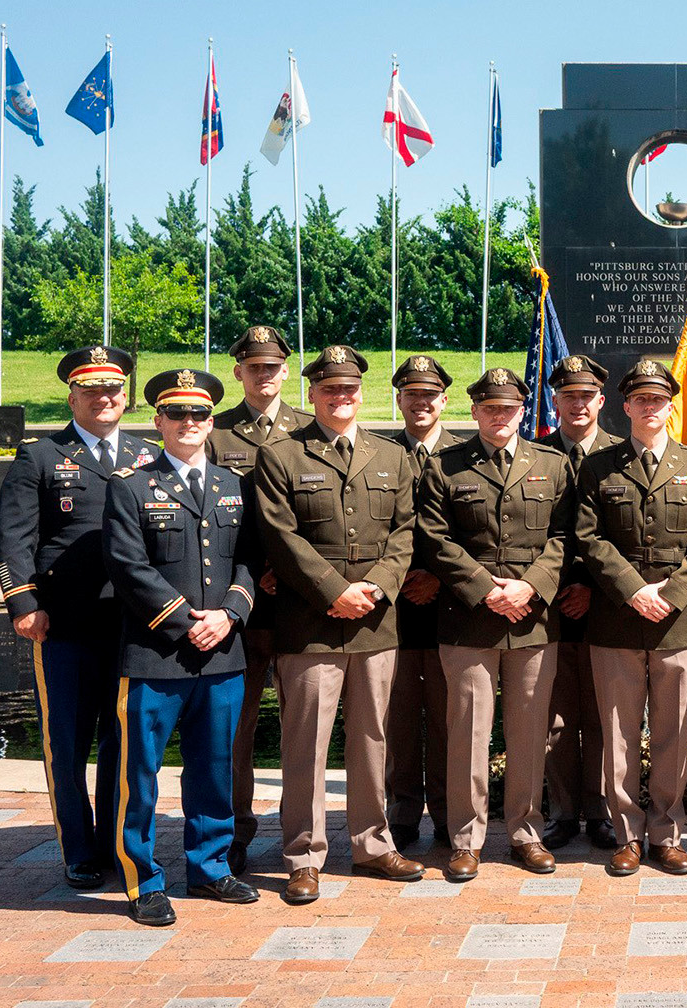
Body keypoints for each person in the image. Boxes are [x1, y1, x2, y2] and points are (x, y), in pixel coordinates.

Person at [252, 345, 423, 904]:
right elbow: (281, 536)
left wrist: (374, 588)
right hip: (310, 624)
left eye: (348, 388)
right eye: (329, 389)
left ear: (361, 393)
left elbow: (405, 533)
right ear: (312, 394)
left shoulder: (391, 456)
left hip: (375, 622)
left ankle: (373, 844)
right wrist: (334, 591)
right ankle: (304, 856)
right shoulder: (281, 455)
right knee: (306, 744)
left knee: (373, 738)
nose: (340, 396)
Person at [0, 344, 155, 890]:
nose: (104, 398)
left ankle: (113, 841)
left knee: (122, 741)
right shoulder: (40, 456)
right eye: (91, 390)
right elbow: (14, 537)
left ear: (125, 396)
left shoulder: (147, 454)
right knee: (66, 741)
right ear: (73, 397)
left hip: (132, 624)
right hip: (65, 623)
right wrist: (23, 602)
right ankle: (78, 850)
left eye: (113, 389)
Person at [104, 368, 260, 926]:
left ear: (212, 422)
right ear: (158, 422)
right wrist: (181, 620)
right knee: (138, 774)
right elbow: (127, 565)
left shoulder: (233, 485)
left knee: (214, 768)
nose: (189, 422)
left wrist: (230, 613)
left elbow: (251, 559)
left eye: (199, 414)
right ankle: (142, 879)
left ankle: (211, 867)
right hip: (155, 655)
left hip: (222, 653)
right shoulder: (130, 486)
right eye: (177, 414)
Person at [416, 367, 574, 881]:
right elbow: (434, 538)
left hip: (532, 620)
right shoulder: (445, 465)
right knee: (468, 732)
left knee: (529, 734)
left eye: (508, 408)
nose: (499, 416)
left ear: (522, 411)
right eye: (489, 408)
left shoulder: (552, 464)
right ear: (474, 412)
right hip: (468, 620)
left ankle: (526, 832)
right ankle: (467, 839)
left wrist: (530, 587)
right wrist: (486, 588)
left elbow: (566, 536)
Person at [574, 359, 687, 876]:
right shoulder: (598, 467)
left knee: (672, 733)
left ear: (669, 405)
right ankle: (626, 835)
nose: (650, 407)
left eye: (658, 399)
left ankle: (666, 833)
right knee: (617, 735)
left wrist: (671, 593)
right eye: (641, 399)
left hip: (678, 622)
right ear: (626, 406)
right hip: (617, 619)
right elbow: (589, 538)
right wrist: (634, 590)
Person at [205, 324, 315, 875]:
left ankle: (303, 833)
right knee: (235, 729)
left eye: (272, 367)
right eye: (254, 367)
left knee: (305, 727)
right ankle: (235, 830)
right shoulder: (215, 433)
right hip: (241, 604)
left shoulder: (311, 429)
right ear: (238, 372)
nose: (264, 375)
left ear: (286, 371)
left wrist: (287, 572)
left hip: (300, 602)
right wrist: (250, 577)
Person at [535, 354, 621, 852]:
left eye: (586, 395)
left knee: (606, 716)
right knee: (557, 718)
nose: (578, 404)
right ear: (555, 401)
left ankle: (603, 811)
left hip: (607, 607)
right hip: (548, 608)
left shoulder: (620, 455)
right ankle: (564, 812)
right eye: (569, 396)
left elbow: (622, 536)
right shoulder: (536, 454)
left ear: (601, 401)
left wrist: (591, 585)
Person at [386, 353, 466, 848]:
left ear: (444, 400)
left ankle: (446, 809)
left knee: (447, 717)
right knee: (396, 718)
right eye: (412, 394)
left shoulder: (465, 454)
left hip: (452, 605)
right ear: (398, 399)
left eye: (429, 395)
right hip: (392, 607)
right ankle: (401, 809)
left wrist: (438, 577)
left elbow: (475, 534)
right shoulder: (378, 452)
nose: (421, 402)